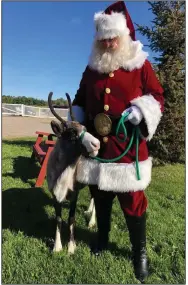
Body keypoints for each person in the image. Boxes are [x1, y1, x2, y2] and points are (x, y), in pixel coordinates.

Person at [68, 1, 164, 282]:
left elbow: (157, 96)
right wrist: (81, 132)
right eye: (103, 39)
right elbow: (79, 102)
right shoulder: (91, 69)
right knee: (101, 196)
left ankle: (139, 252)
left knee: (133, 202)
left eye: (112, 38)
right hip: (96, 149)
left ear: (123, 35)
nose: (108, 44)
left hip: (128, 151)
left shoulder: (140, 64)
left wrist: (140, 110)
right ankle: (103, 238)